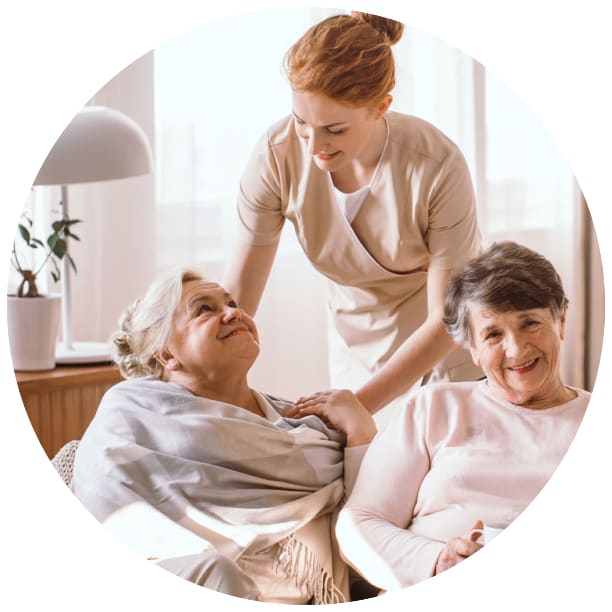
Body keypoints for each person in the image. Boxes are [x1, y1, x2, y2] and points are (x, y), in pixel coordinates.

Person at [222, 11, 483, 425]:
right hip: (353, 360)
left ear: (381, 108)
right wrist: (207, 393)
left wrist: (357, 406)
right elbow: (236, 299)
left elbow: (446, 319)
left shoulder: (435, 165)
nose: (314, 146)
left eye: (335, 130)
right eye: (302, 123)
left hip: (439, 362)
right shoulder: (276, 154)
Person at [70, 267, 377, 604]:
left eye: (231, 303)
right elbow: (109, 513)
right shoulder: (131, 412)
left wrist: (361, 432)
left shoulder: (310, 426)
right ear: (167, 355)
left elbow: (373, 524)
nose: (234, 313)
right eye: (205, 309)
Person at [333, 241, 590, 591]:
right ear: (471, 348)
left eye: (530, 323)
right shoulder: (432, 408)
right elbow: (359, 523)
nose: (515, 349)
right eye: (493, 334)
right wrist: (439, 562)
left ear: (561, 320)